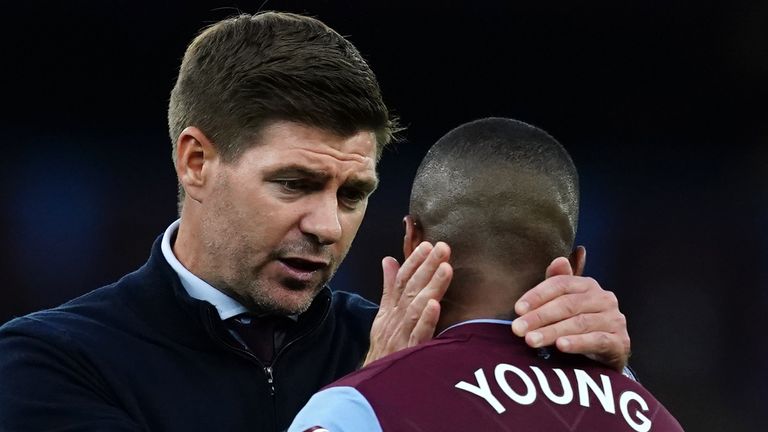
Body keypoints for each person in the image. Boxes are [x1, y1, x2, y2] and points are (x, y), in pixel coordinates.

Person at [0, 13, 630, 432]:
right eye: (295, 184)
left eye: (353, 193)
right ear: (196, 161)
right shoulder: (51, 362)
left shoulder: (423, 342)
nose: (327, 225)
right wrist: (382, 395)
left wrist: (600, 387)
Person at [289, 117, 683, 432]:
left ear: (411, 241)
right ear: (572, 267)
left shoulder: (359, 409)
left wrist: (380, 381)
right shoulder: (650, 417)